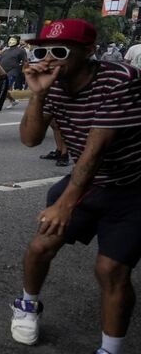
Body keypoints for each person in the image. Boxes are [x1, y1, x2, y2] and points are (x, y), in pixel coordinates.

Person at [10, 19, 141, 354]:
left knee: (111, 269)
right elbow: (30, 139)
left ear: (88, 52)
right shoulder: (52, 84)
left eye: (60, 50)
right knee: (41, 247)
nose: (50, 58)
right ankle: (27, 305)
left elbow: (96, 150)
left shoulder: (118, 80)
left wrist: (66, 203)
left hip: (132, 186)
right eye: (43, 51)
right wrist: (37, 95)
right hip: (92, 183)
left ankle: (109, 349)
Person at [0, 36, 28, 109]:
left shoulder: (21, 50)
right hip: (2, 71)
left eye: (13, 40)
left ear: (17, 41)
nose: (11, 41)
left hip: (13, 71)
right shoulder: (5, 51)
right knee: (1, 88)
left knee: (4, 87)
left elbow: (25, 61)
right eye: (10, 40)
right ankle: (13, 101)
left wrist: (25, 70)